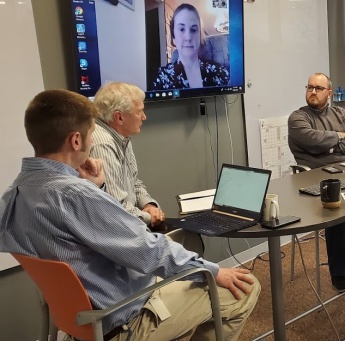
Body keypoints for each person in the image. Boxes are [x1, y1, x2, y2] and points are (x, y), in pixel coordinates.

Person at [0, 89, 260, 340]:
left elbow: (71, 234)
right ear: (76, 140)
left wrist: (96, 188)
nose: (92, 143)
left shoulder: (17, 191)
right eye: (91, 134)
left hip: (81, 317)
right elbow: (147, 251)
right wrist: (212, 271)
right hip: (125, 319)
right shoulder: (73, 194)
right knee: (245, 288)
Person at [287, 73, 345, 292]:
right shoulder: (298, 118)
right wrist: (340, 138)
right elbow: (311, 140)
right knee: (336, 213)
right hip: (317, 177)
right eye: (310, 87)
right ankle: (339, 273)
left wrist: (329, 146)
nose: (313, 91)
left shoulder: (343, 113)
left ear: (329, 93)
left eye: (319, 88)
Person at [91, 82, 165, 230]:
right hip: (117, 231)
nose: (144, 117)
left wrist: (148, 204)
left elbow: (134, 181)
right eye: (140, 112)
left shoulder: (121, 135)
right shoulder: (103, 143)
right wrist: (151, 217)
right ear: (119, 117)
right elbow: (116, 208)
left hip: (130, 224)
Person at [151, 3, 229, 90]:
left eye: (193, 30)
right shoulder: (161, 77)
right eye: (181, 29)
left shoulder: (218, 71)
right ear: (173, 37)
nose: (188, 37)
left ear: (200, 35)